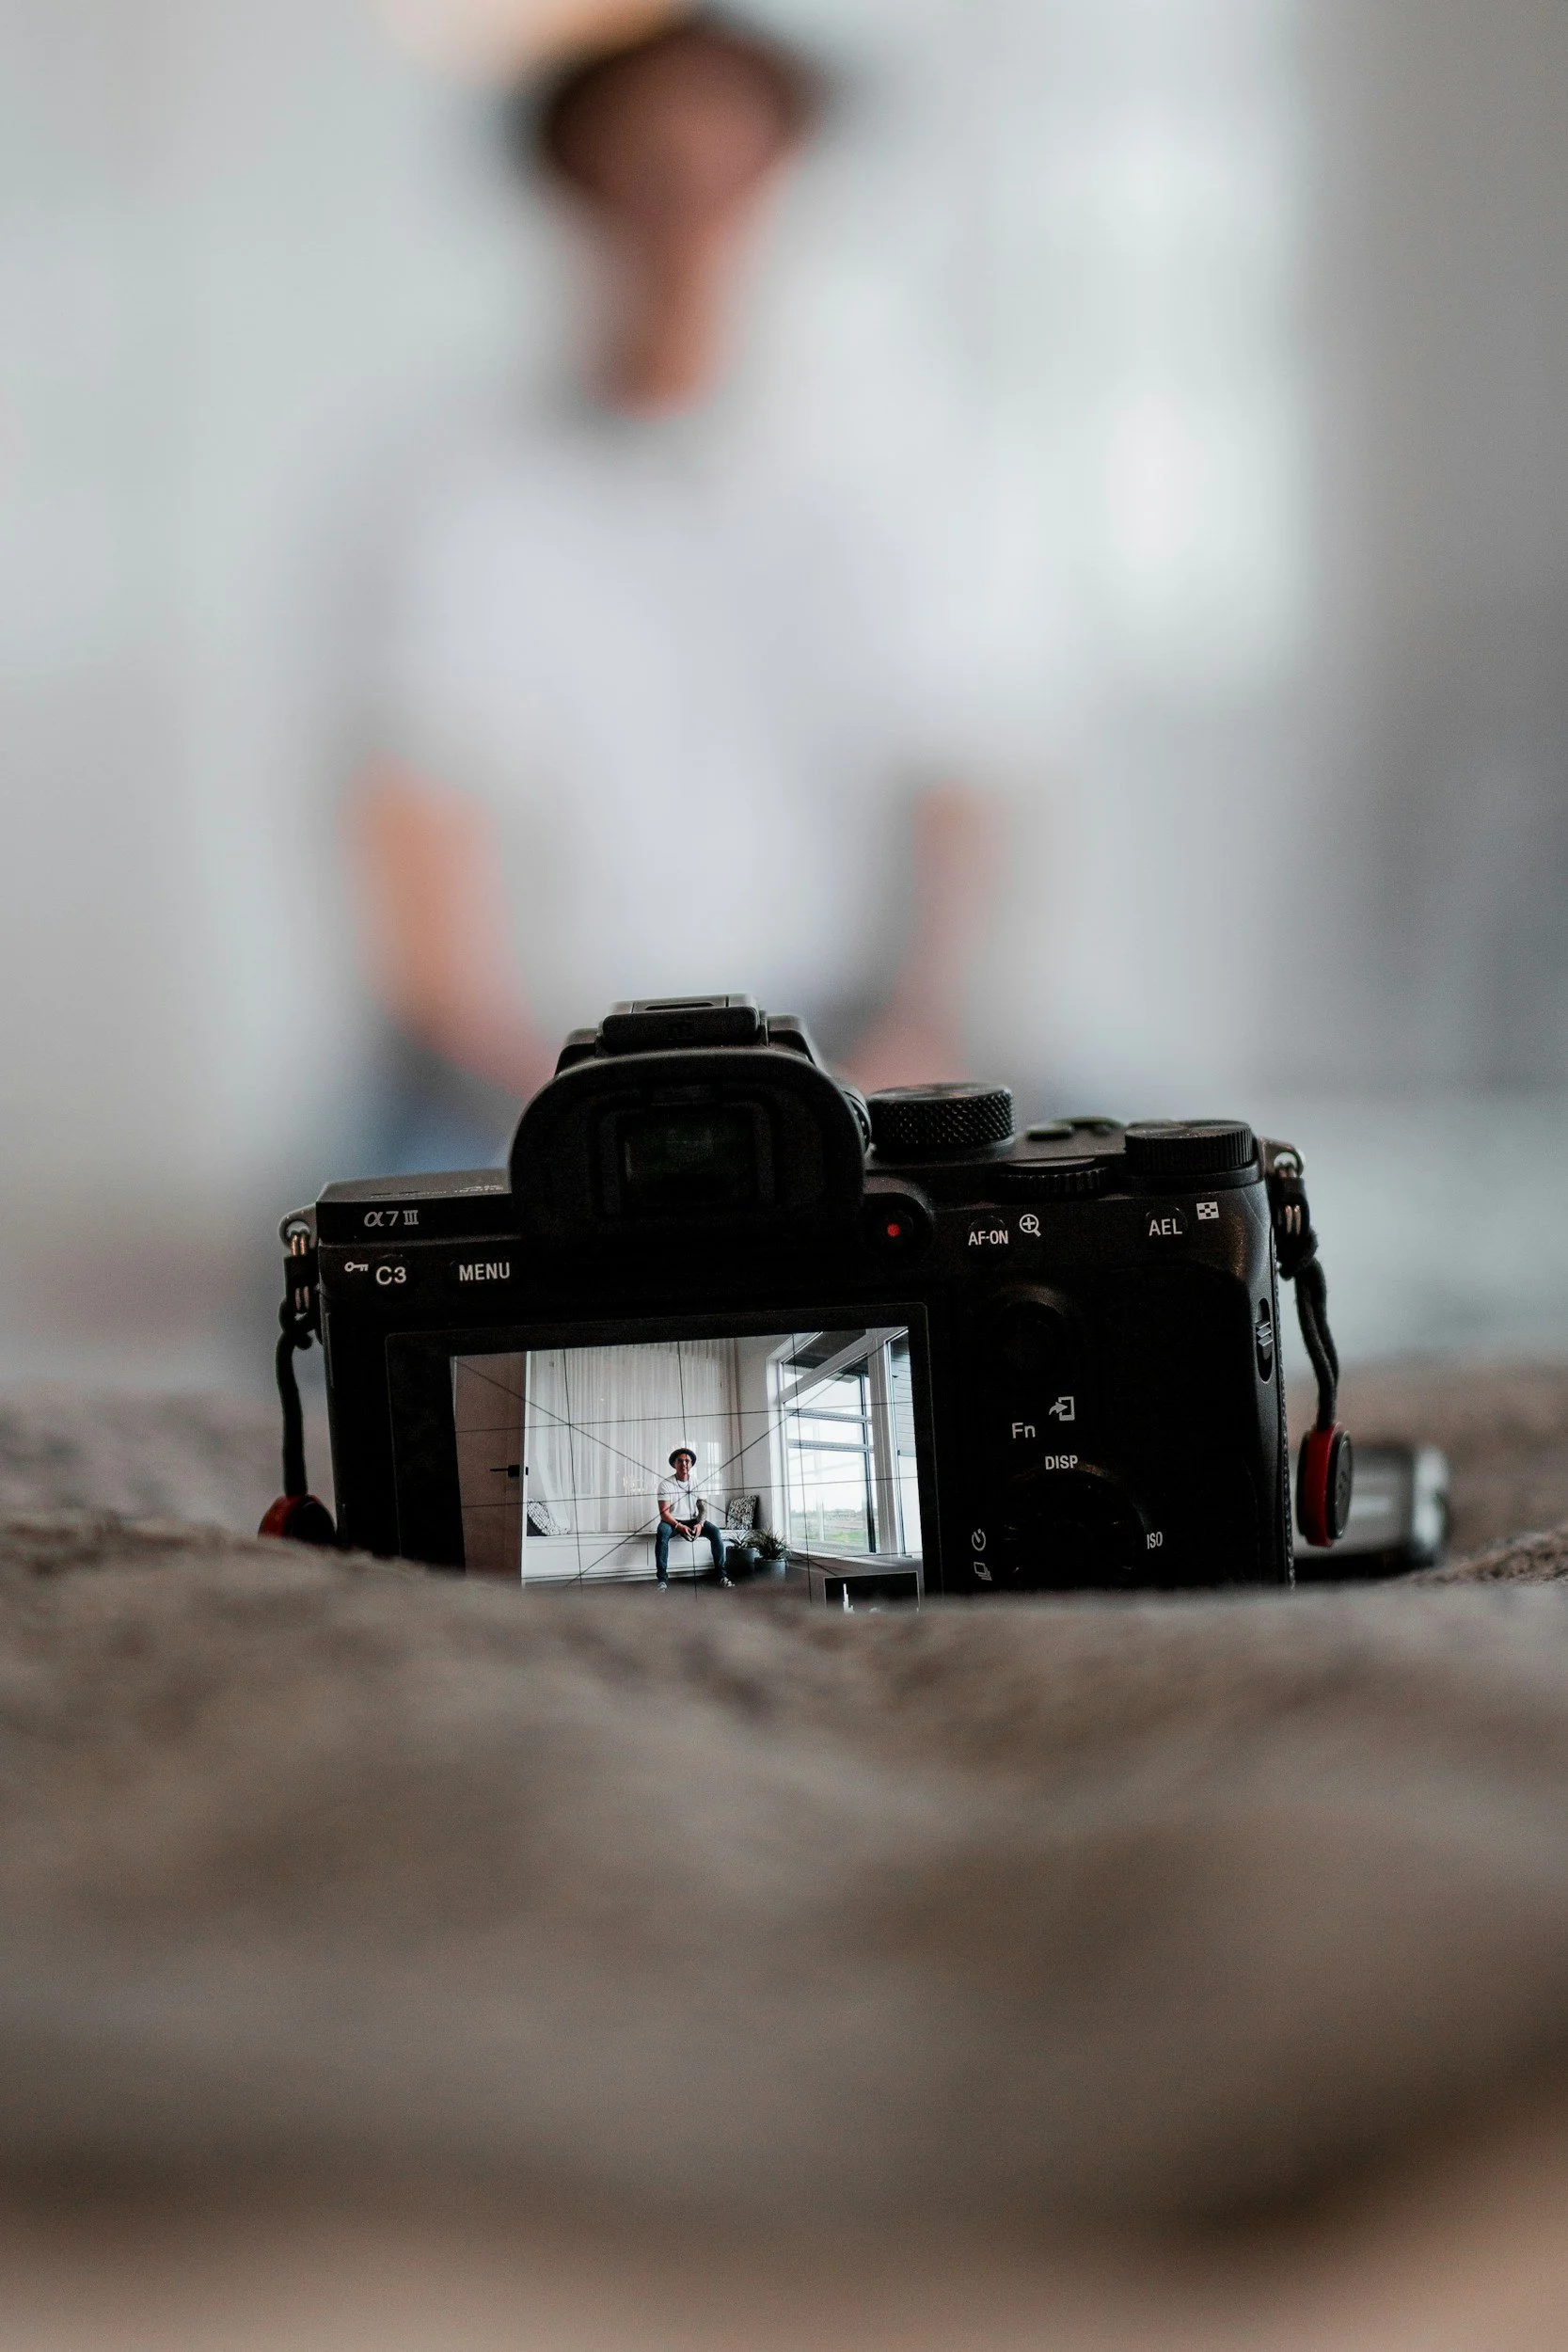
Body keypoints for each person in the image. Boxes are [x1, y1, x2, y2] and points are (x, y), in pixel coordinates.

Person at [349, 8, 999, 1173]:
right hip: (534, 1061)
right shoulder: (450, 487)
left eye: (726, 167)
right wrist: (560, 1110)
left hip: (841, 1042)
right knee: (336, 1281)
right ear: (576, 182)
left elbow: (962, 788)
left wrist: (913, 1036)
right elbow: (416, 865)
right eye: (652, 170)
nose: (691, 211)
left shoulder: (902, 462)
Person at [655, 1446, 728, 1585]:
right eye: (680, 1461)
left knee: (715, 1531)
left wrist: (700, 1524)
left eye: (687, 1461)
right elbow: (664, 1513)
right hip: (672, 1521)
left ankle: (722, 1576)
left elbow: (703, 1509)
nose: (684, 1464)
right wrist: (678, 1526)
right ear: (674, 1464)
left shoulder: (698, 1483)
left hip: (693, 1520)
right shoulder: (665, 1484)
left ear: (691, 1464)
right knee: (662, 1533)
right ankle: (662, 1580)